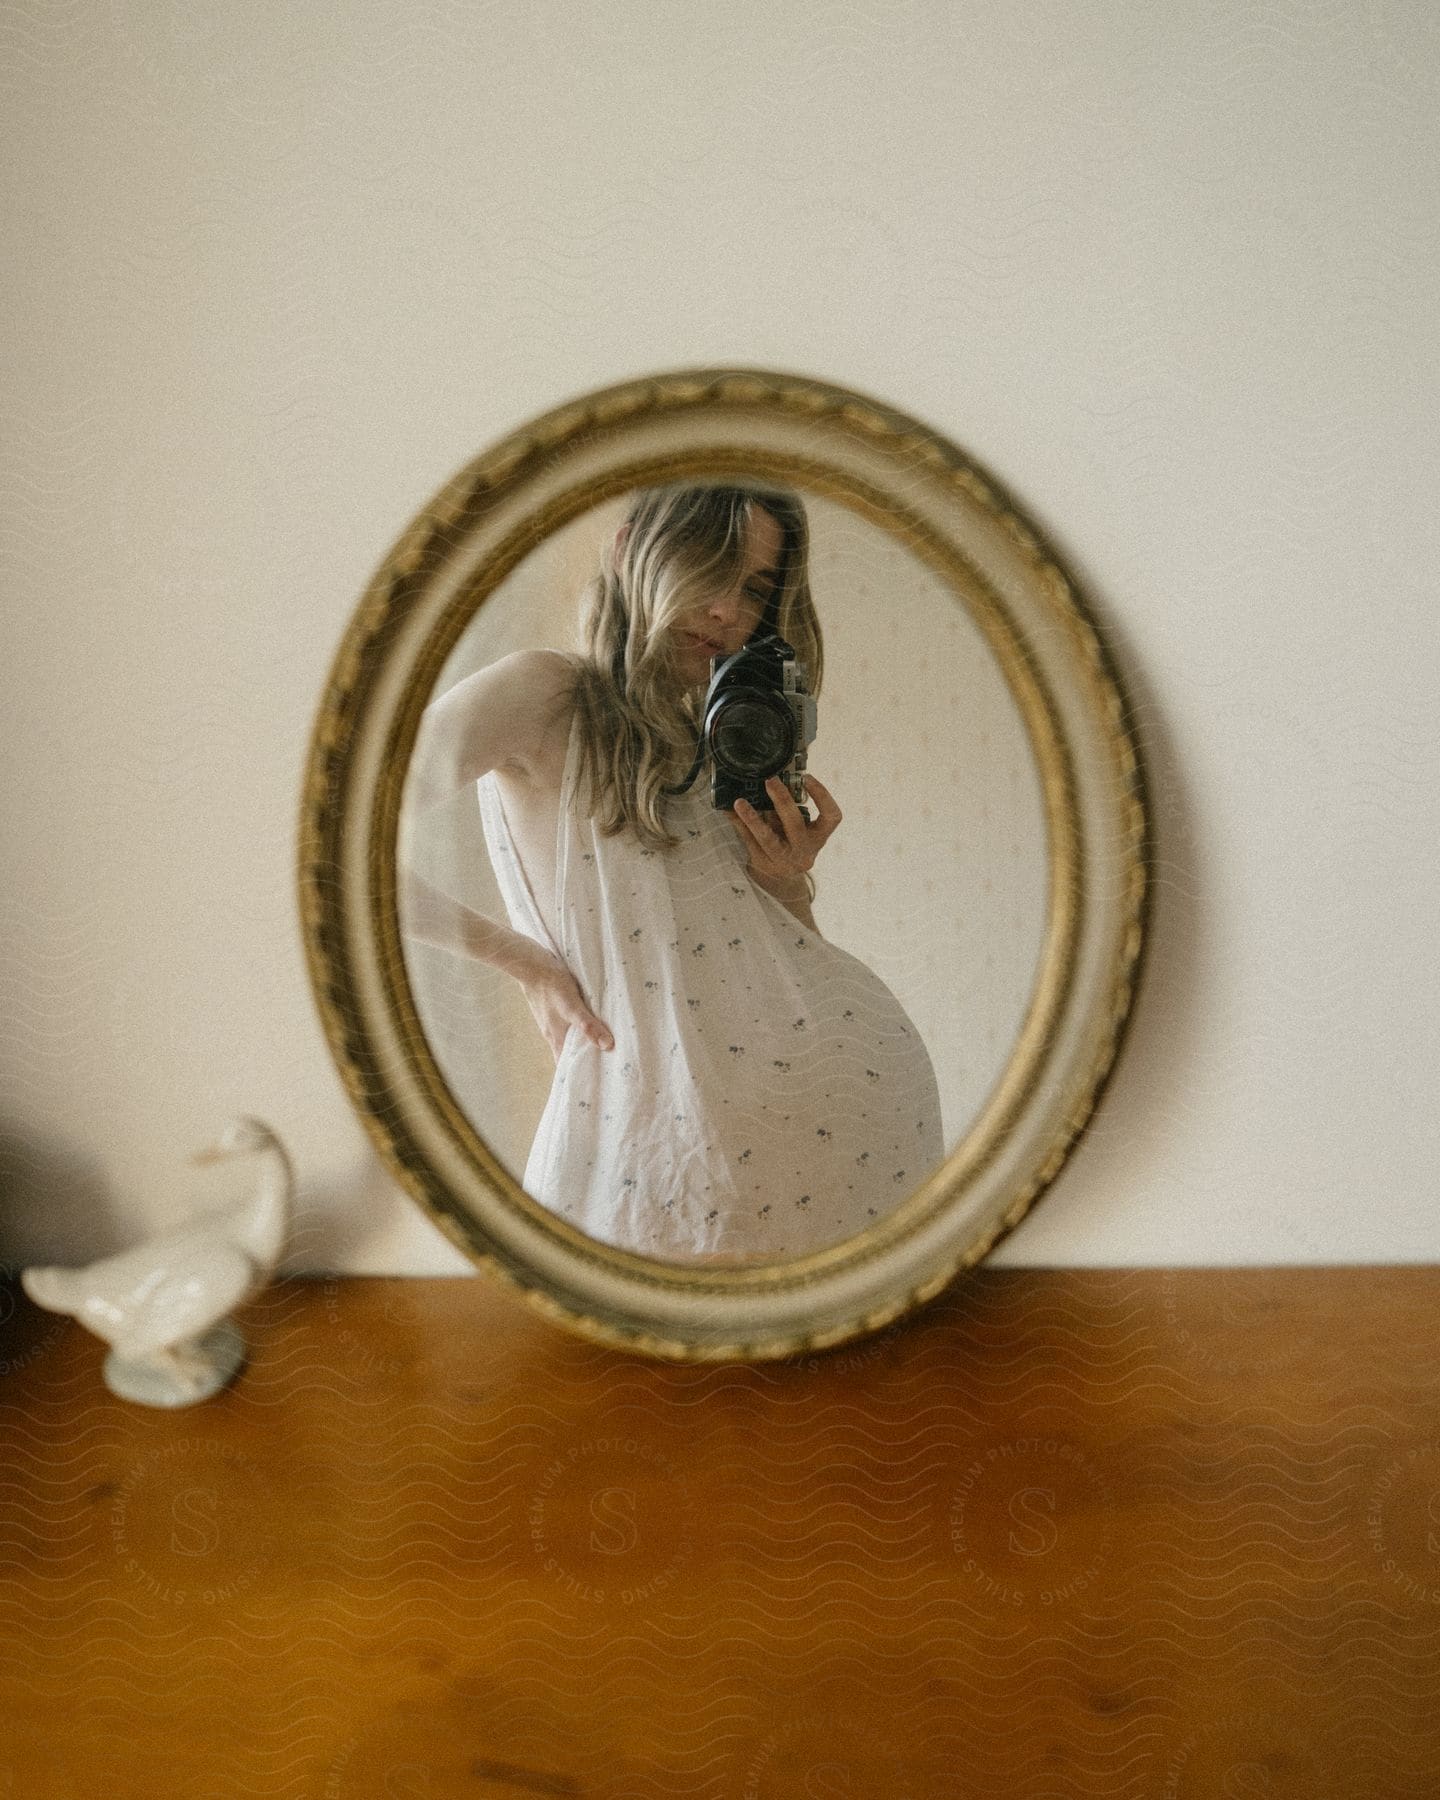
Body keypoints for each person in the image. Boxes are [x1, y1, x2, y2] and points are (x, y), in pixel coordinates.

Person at [401, 484, 943, 1262]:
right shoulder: (543, 694)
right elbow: (331, 837)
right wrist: (522, 962)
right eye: (709, 569)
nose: (728, 610)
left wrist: (787, 879)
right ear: (629, 551)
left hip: (859, 1137)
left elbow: (767, 955)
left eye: (754, 588)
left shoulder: (724, 727)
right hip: (657, 1154)